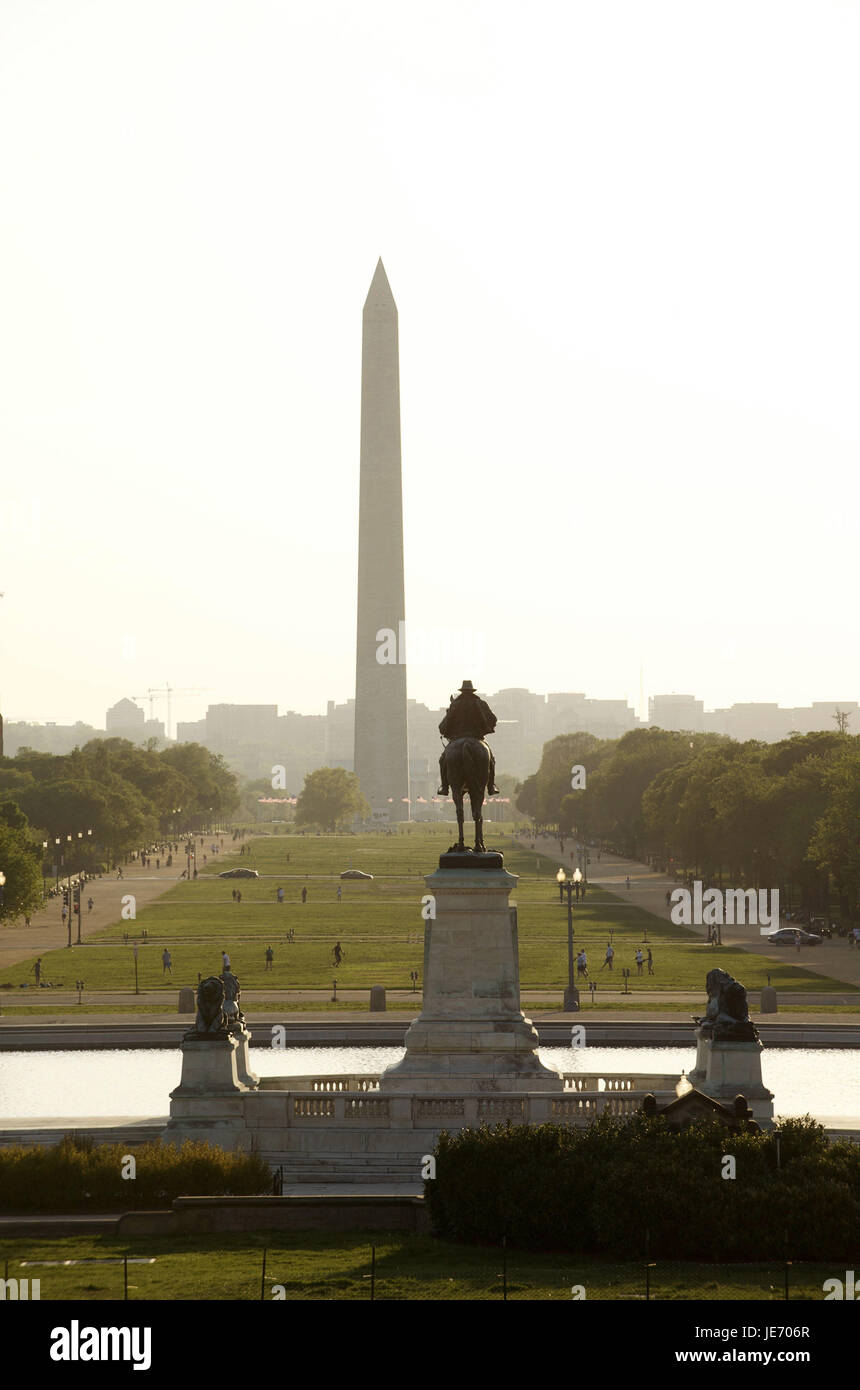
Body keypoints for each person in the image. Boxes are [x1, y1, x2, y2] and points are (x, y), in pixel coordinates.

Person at [437, 680, 500, 795]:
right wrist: (486, 728)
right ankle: (491, 786)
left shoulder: (455, 704)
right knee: (491, 760)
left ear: (461, 691)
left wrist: (447, 731)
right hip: (476, 737)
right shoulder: (480, 703)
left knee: (442, 760)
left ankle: (444, 787)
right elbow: (493, 720)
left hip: (457, 738)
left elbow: (443, 726)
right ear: (472, 691)